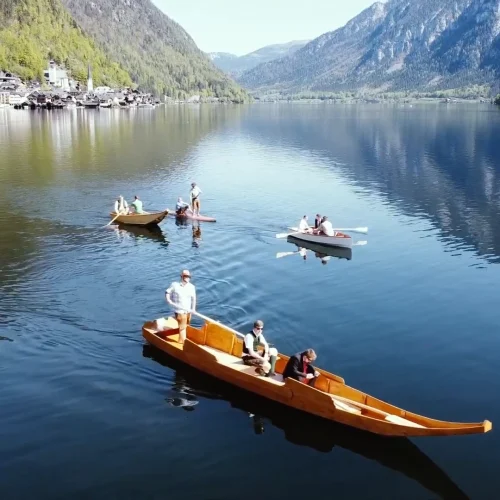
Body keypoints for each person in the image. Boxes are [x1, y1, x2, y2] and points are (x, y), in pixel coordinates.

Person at [165, 269, 196, 344]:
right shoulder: (175, 285)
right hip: (179, 311)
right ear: (181, 276)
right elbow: (167, 292)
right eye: (185, 276)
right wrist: (168, 299)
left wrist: (193, 309)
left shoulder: (191, 287)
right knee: (182, 327)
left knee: (186, 325)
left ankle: (180, 340)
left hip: (188, 311)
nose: (187, 278)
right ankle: (184, 344)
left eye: (189, 276)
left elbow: (194, 298)